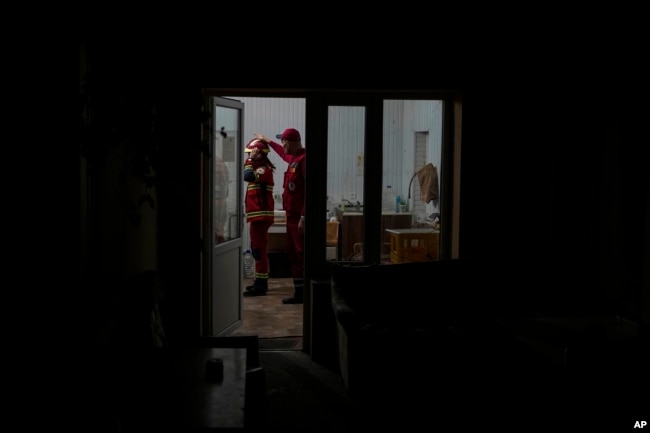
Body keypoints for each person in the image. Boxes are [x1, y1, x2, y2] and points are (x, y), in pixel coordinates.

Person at [254, 128, 305, 304]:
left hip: (299, 218)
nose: (283, 145)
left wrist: (304, 218)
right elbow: (283, 153)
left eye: (284, 141)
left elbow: (310, 191)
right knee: (292, 253)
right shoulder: (293, 159)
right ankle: (300, 293)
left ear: (291, 142)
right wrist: (267, 140)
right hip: (291, 218)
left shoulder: (304, 160)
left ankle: (305, 293)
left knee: (300, 254)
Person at [242, 138, 276, 296]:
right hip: (257, 217)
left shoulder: (264, 169)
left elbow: (248, 176)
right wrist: (251, 160)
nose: (249, 156)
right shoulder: (259, 167)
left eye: (252, 152)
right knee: (257, 250)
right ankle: (260, 281)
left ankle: (261, 285)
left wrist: (250, 160)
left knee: (258, 250)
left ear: (259, 154)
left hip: (261, 217)